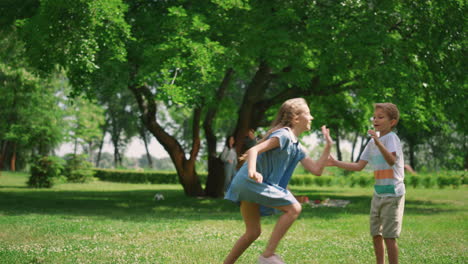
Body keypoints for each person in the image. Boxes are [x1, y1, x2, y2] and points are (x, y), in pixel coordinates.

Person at [224, 98, 333, 264]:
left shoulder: (297, 146)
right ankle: (268, 255)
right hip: (252, 183)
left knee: (253, 232)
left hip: (246, 185)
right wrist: (253, 171)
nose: (311, 118)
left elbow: (317, 170)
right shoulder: (284, 135)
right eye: (308, 114)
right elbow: (254, 150)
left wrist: (328, 147)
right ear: (296, 118)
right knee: (294, 208)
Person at [327, 103, 405, 264]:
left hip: (393, 194)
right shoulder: (372, 142)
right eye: (374, 117)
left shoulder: (391, 138)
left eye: (380, 117)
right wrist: (335, 163)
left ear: (392, 122)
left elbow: (391, 160)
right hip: (378, 193)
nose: (376, 120)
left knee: (389, 237)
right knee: (376, 234)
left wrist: (378, 143)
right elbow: (359, 166)